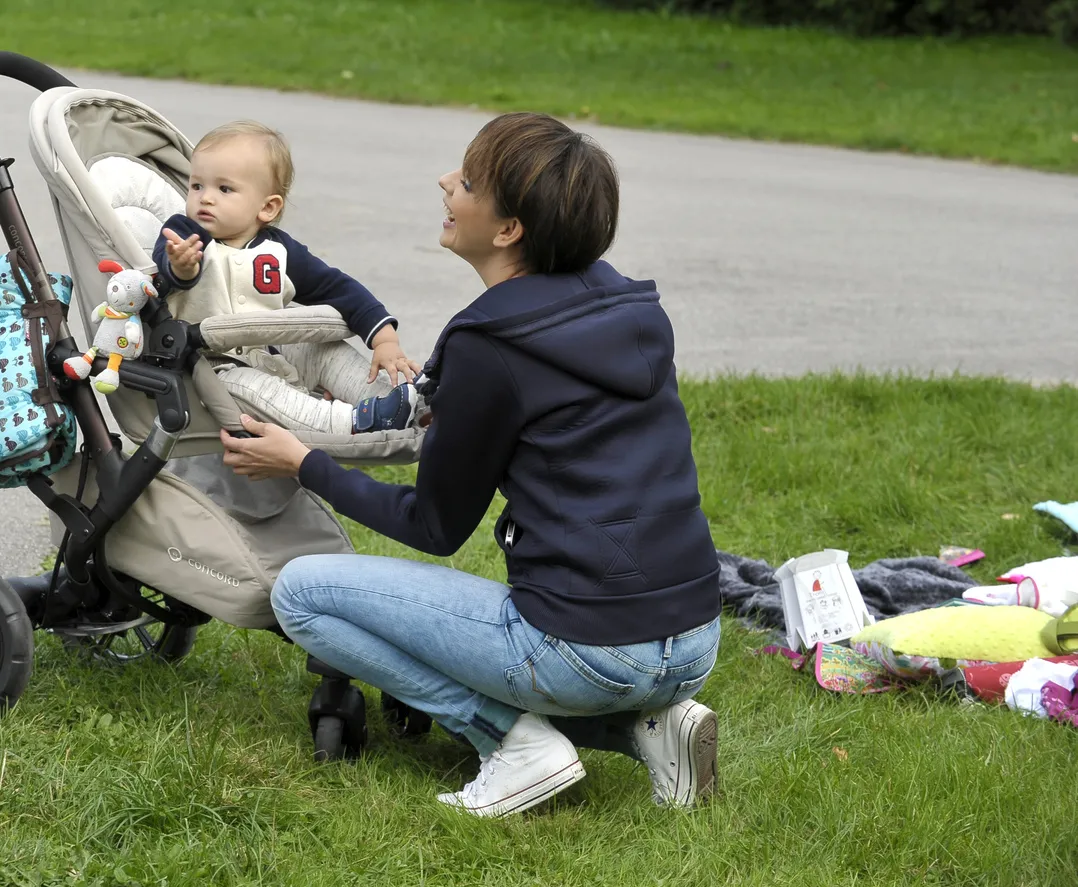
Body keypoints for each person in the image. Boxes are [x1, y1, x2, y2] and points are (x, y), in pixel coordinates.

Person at [218, 112, 724, 819]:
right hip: (696, 634)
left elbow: (435, 525)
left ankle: (513, 743)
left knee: (302, 594)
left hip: (588, 647)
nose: (446, 183)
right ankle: (649, 725)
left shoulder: (493, 344)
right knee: (603, 650)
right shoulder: (629, 309)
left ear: (509, 228)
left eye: (469, 180)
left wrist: (301, 462)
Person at [152, 120, 423, 435]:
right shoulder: (185, 234)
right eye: (197, 186)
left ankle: (401, 401)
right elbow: (163, 278)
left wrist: (384, 339)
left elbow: (338, 288)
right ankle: (354, 422)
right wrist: (181, 269)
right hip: (210, 369)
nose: (205, 198)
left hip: (269, 353)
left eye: (224, 189)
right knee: (261, 391)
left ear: (267, 207)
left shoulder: (280, 251)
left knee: (326, 350)